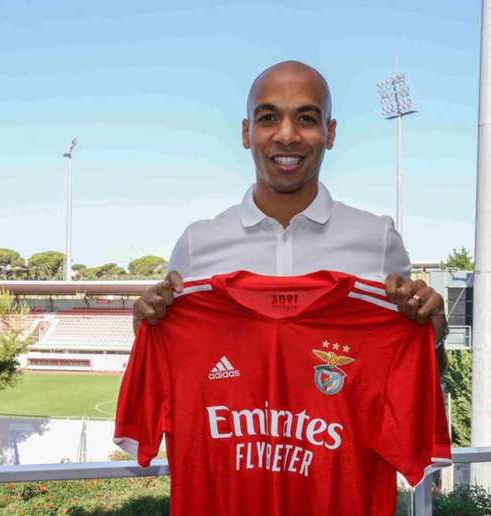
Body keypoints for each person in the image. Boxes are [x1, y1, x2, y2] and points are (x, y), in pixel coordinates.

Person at [133, 60, 447, 372]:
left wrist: (432, 336)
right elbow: (174, 372)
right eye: (269, 118)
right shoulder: (197, 244)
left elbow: (413, 377)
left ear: (330, 132)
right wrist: (147, 329)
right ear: (246, 132)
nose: (287, 135)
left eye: (306, 119)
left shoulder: (378, 240)